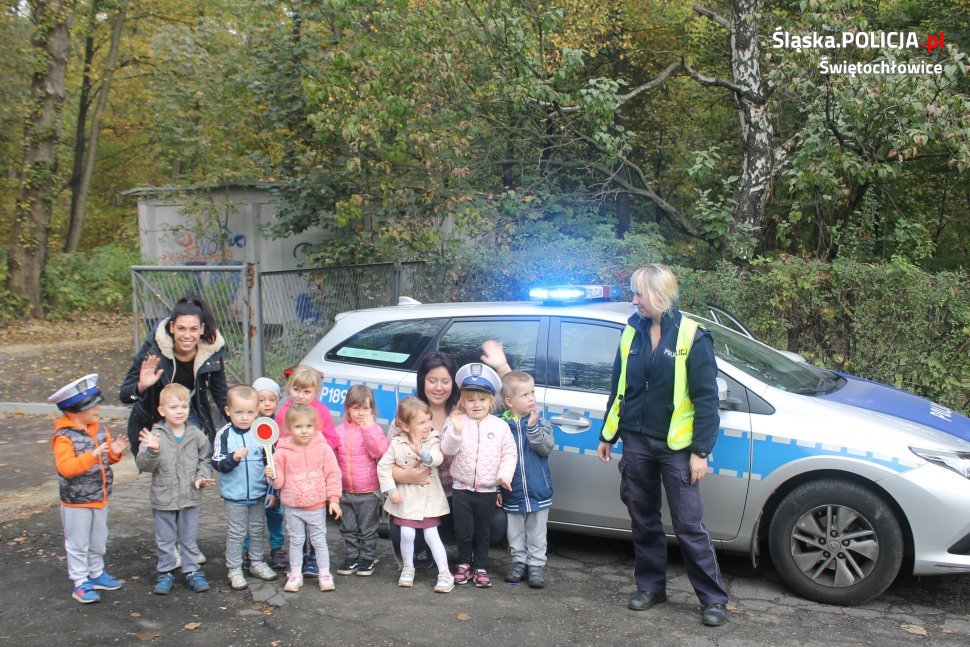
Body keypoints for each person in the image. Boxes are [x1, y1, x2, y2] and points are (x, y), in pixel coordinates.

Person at [596, 263, 729, 627]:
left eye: (639, 293)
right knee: (644, 520)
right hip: (636, 442)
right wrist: (608, 435)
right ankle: (651, 587)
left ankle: (713, 599)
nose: (634, 300)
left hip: (676, 449)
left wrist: (701, 451)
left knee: (688, 525)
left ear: (659, 295)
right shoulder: (631, 332)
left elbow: (707, 400)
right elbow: (619, 387)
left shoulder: (692, 337)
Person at [48, 374, 129, 603]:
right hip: (76, 502)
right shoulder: (64, 436)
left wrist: (114, 452)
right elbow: (66, 469)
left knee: (98, 539)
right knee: (78, 542)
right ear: (75, 409)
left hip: (99, 496)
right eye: (93, 405)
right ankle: (80, 581)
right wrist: (91, 456)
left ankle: (96, 573)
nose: (98, 409)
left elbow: (107, 461)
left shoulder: (99, 429)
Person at [121, 293, 228, 453]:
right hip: (155, 414)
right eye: (181, 328)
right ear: (171, 327)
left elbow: (221, 395)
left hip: (189, 408)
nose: (187, 335)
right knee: (162, 463)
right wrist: (141, 387)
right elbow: (125, 396)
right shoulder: (153, 350)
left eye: (193, 329)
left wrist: (242, 423)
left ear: (202, 329)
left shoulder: (210, 351)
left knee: (193, 455)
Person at [441, 363, 517, 588]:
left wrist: (504, 476)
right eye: (471, 399)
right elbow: (447, 449)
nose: (477, 404)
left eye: (482, 399)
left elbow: (509, 454)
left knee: (483, 530)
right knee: (463, 530)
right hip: (462, 487)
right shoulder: (456, 422)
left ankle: (481, 566)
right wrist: (455, 431)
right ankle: (464, 563)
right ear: (463, 401)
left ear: (491, 401)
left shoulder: (500, 426)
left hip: (487, 490)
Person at [135, 383, 214, 595]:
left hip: (190, 496)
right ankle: (166, 571)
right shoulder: (155, 435)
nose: (180, 411)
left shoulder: (196, 434)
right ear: (162, 410)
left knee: (189, 537)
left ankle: (192, 571)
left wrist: (202, 477)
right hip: (164, 497)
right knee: (165, 538)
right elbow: (143, 466)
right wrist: (152, 451)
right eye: (173, 407)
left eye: (184, 406)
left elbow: (205, 459)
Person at [378, 397, 453, 593]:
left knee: (431, 535)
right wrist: (391, 490)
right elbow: (383, 467)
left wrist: (423, 453)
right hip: (405, 498)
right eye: (421, 422)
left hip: (429, 498)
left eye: (429, 419)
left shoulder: (433, 439)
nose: (427, 425)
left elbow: (437, 459)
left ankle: (445, 573)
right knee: (407, 533)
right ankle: (408, 568)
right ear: (405, 426)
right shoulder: (396, 443)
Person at [268, 403, 343, 593]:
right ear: (289, 428)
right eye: (298, 426)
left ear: (315, 426)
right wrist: (271, 474)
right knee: (296, 541)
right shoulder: (282, 451)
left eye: (308, 426)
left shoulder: (323, 448)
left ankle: (324, 573)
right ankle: (295, 574)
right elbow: (278, 484)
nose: (304, 431)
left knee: (319, 540)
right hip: (293, 507)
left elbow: (333, 474)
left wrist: (333, 499)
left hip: (316, 506)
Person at [211, 384, 279, 589]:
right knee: (237, 532)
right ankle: (234, 568)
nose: (244, 417)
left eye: (250, 412)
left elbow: (272, 459)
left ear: (257, 410)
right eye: (238, 412)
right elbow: (217, 463)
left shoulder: (262, 431)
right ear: (228, 411)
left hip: (258, 494)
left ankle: (256, 563)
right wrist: (232, 458)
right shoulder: (223, 435)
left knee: (257, 530)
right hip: (235, 496)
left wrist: (271, 475)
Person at [274, 364, 338, 576]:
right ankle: (298, 558)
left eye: (307, 391)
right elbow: (278, 439)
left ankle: (313, 558)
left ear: (316, 392)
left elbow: (331, 439)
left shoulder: (322, 411)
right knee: (295, 522)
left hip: (313, 473)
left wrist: (312, 446)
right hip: (293, 476)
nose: (301, 396)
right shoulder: (284, 412)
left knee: (315, 522)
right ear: (289, 388)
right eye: (296, 390)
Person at [499, 370, 554, 589]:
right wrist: (496, 490)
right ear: (509, 401)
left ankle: (536, 565)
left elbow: (545, 448)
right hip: (512, 489)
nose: (531, 398)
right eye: (525, 395)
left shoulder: (542, 424)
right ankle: (519, 562)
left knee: (537, 531)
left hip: (538, 489)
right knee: (515, 531)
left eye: (532, 392)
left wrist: (532, 428)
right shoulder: (501, 426)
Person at [333, 385, 389, 577]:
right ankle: (351, 557)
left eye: (365, 408)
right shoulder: (339, 431)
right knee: (348, 528)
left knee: (367, 529)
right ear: (347, 408)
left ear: (372, 409)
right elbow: (332, 458)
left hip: (368, 492)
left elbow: (379, 452)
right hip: (345, 491)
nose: (360, 413)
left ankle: (367, 558)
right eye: (356, 408)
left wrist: (368, 429)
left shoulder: (374, 430)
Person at [251, 376, 287, 570]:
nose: (266, 404)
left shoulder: (280, 423)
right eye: (261, 399)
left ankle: (277, 548)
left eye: (271, 399)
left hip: (275, 479)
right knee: (253, 517)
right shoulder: (249, 424)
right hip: (254, 480)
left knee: (276, 514)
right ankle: (249, 550)